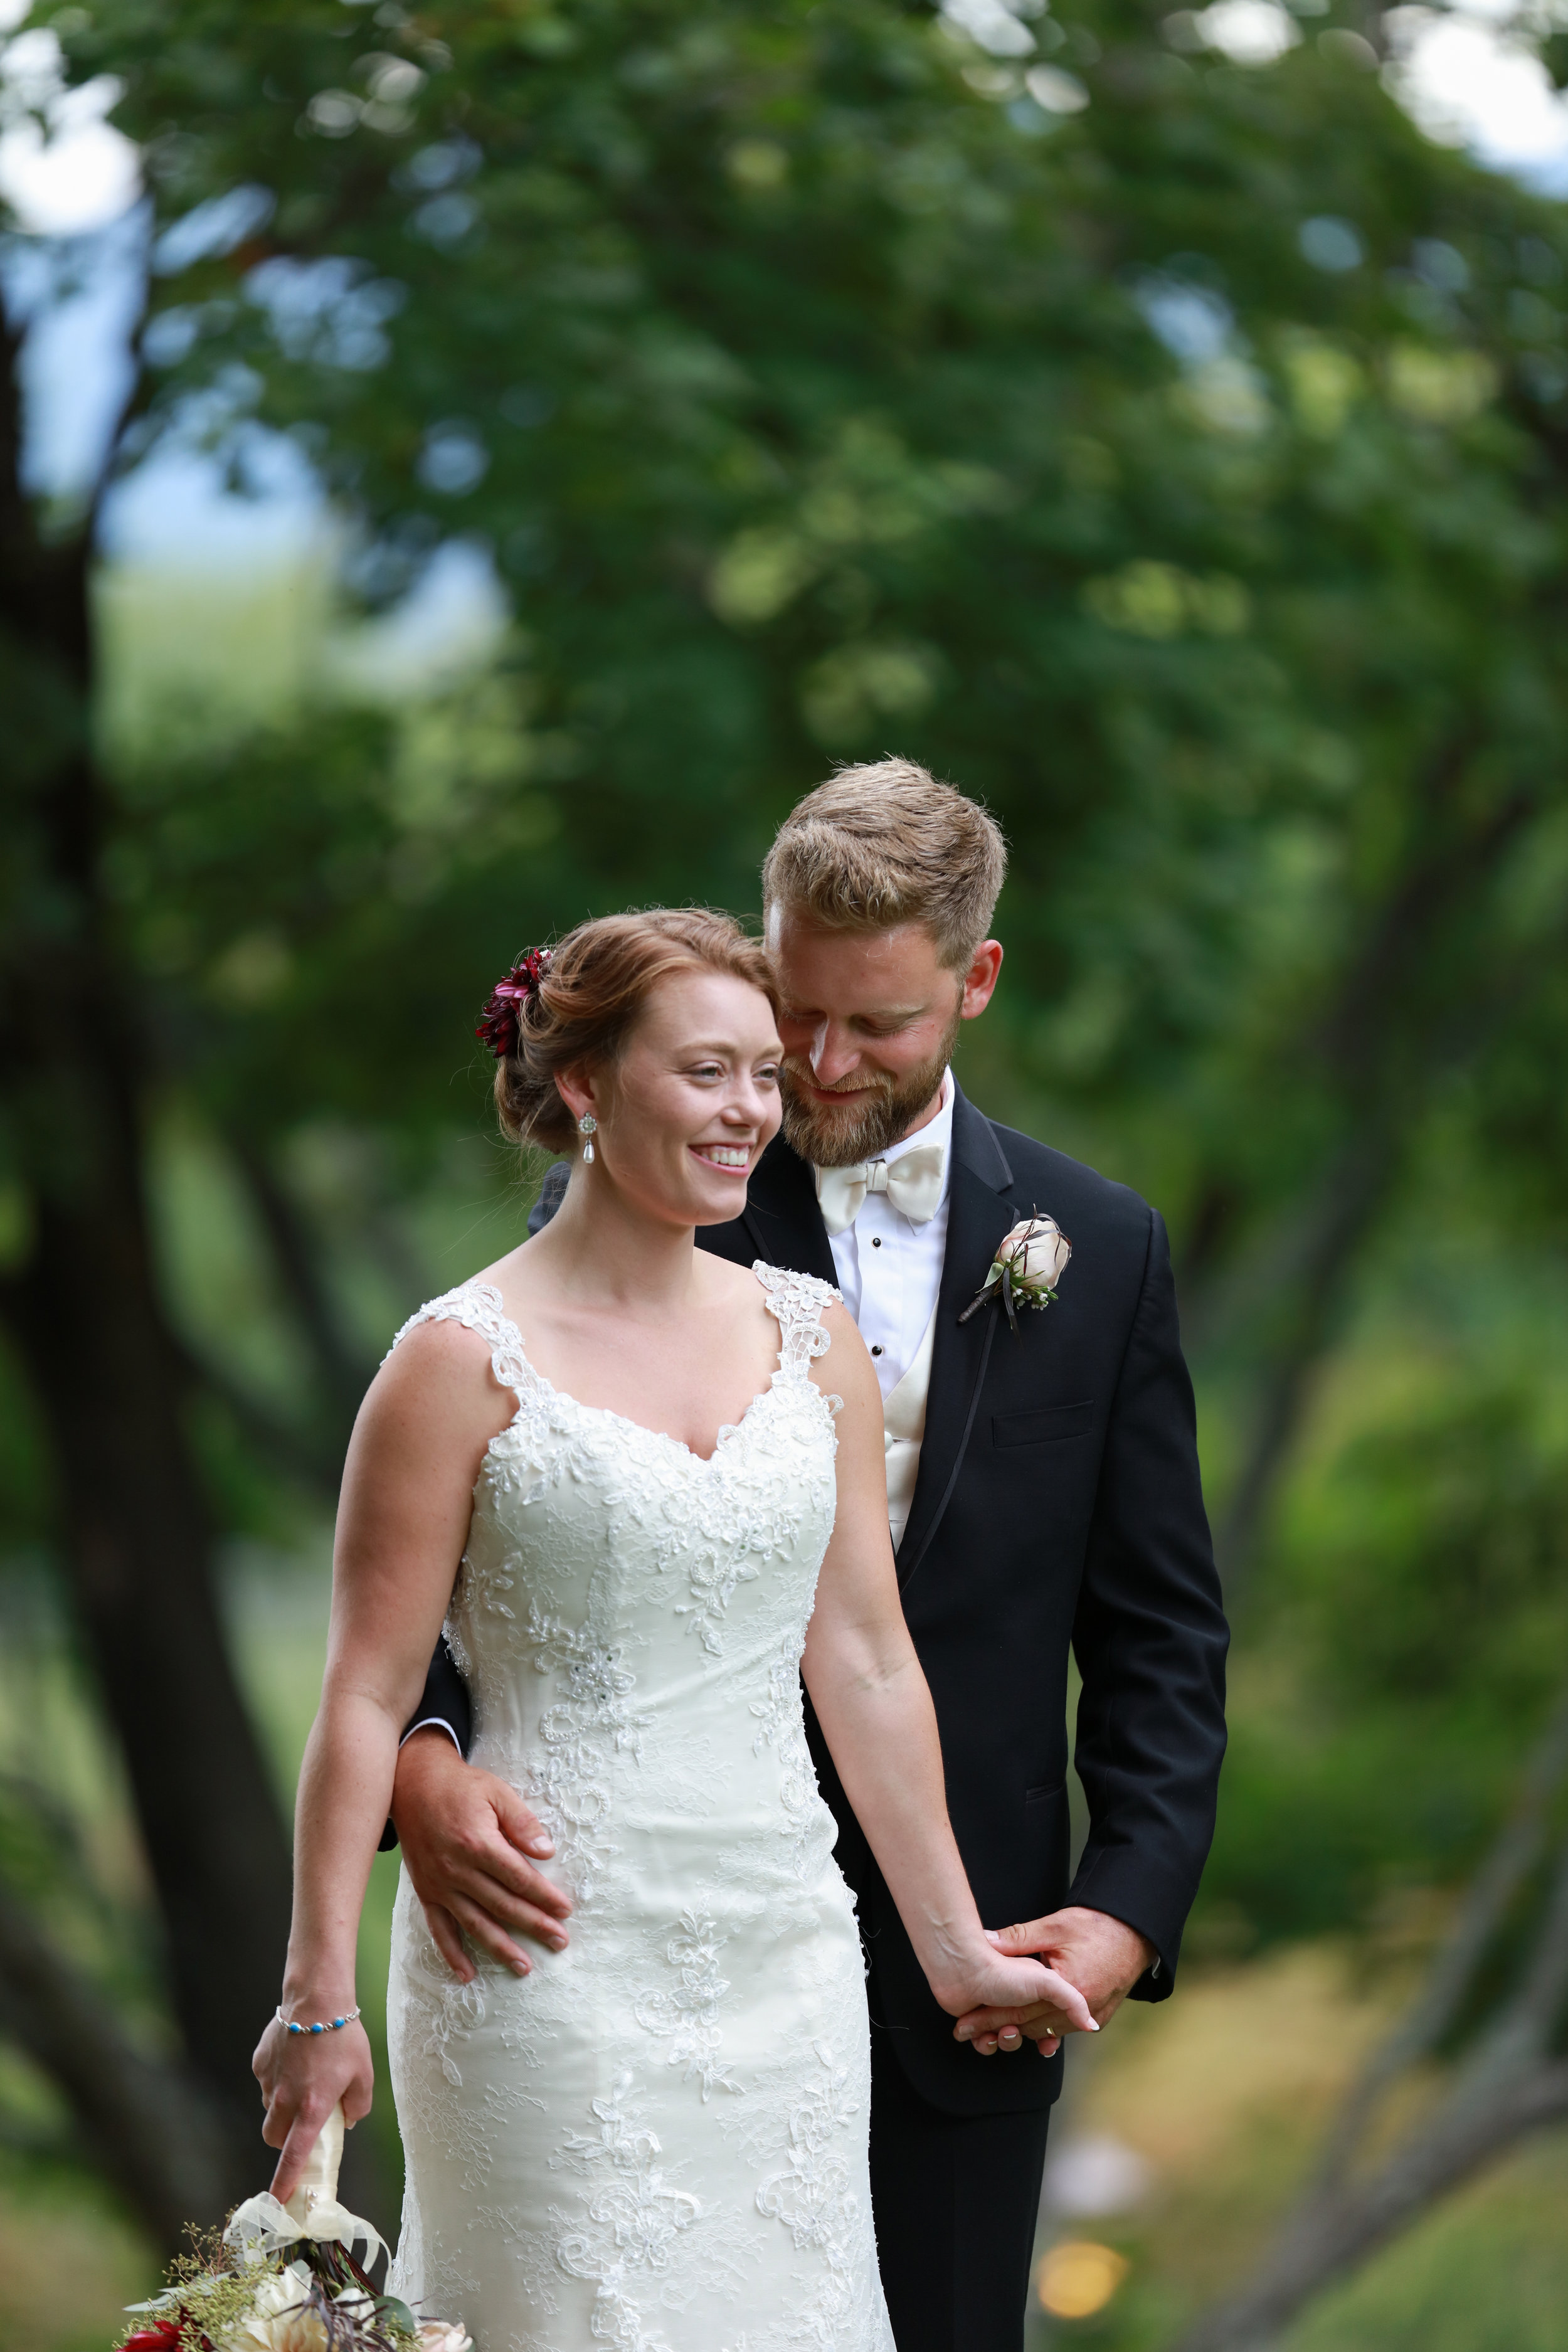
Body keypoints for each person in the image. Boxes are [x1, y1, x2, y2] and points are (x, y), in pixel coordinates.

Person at [391, 766, 1230, 2352]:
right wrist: (427, 1754)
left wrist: (1123, 1906)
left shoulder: (1094, 1245)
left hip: (961, 1965)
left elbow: (1160, 1635)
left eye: (879, 1025)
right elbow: (503, 1509)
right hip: (604, 1942)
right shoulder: (661, 1165)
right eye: (796, 1012)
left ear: (974, 981)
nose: (819, 1067)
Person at [252, 907, 1093, 2352]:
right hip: (535, 1962)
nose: (751, 1112)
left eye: (763, 1075)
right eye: (707, 1073)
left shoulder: (811, 1334)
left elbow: (866, 1660)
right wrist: (313, 1999)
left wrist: (952, 1946)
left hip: (787, 1963)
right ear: (583, 1084)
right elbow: (360, 1696)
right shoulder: (455, 1363)